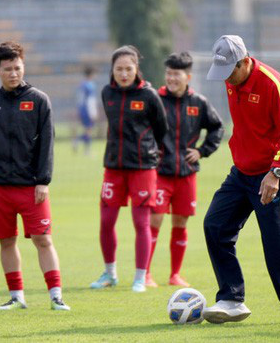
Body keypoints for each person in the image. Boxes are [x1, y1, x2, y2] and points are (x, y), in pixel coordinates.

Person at [202, 35, 280, 326]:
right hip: (241, 172)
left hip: (273, 172)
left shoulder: (272, 83)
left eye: (229, 71)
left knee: (278, 243)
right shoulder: (232, 80)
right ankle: (231, 298)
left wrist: (276, 173)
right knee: (215, 225)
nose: (225, 78)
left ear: (244, 61)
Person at [0, 41, 70, 311]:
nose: (13, 73)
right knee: (6, 241)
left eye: (17, 68)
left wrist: (43, 180)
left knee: (43, 239)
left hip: (31, 186)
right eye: (7, 69)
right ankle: (17, 297)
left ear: (23, 66)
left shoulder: (38, 100)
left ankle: (56, 296)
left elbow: (47, 143)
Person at [91, 45, 168, 293]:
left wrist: (149, 152)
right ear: (112, 71)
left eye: (128, 68)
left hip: (143, 168)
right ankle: (109, 273)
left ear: (137, 69)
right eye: (119, 69)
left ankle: (140, 277)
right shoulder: (107, 94)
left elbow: (161, 129)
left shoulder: (149, 96)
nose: (123, 73)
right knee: (106, 221)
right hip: (113, 167)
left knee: (141, 222)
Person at [146, 51, 224, 288]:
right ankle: (145, 274)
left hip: (187, 174)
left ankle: (174, 275)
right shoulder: (155, 99)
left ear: (188, 76)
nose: (171, 78)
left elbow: (217, 128)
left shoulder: (198, 103)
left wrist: (201, 151)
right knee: (155, 219)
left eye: (176, 74)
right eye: (168, 73)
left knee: (180, 223)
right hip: (160, 173)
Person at [73, 65, 98, 154]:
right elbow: (90, 101)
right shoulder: (90, 85)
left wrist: (78, 110)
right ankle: (86, 150)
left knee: (87, 130)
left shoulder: (82, 85)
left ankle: (78, 142)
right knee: (89, 130)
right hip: (88, 110)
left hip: (82, 109)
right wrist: (93, 113)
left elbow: (80, 99)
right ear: (91, 74)